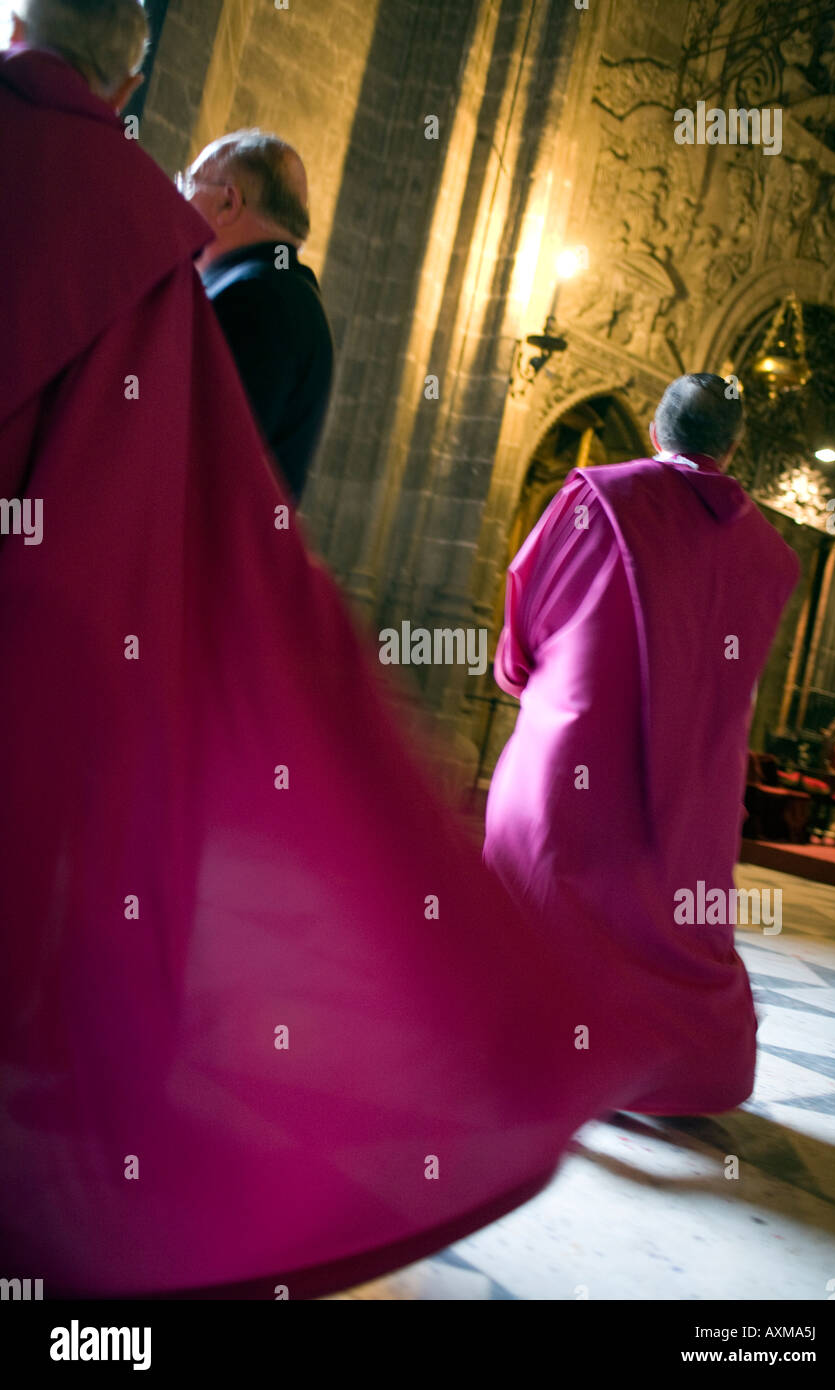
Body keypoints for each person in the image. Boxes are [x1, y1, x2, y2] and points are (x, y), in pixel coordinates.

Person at [0, 1, 593, 1300]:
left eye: (210, 172)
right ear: (131, 67)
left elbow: (215, 462)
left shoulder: (249, 294)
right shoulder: (157, 243)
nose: (189, 179)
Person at [485, 374, 800, 1116]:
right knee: (659, 918)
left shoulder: (598, 495)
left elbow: (527, 603)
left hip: (572, 756)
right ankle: (649, 1069)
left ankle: (530, 1051)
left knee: (538, 894)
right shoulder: (772, 557)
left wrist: (519, 673)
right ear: (732, 447)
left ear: (657, 433)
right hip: (691, 791)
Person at [183, 131, 333, 504]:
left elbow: (201, 455)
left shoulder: (254, 298)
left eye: (187, 184)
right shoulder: (285, 291)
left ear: (228, 202)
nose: (180, 198)